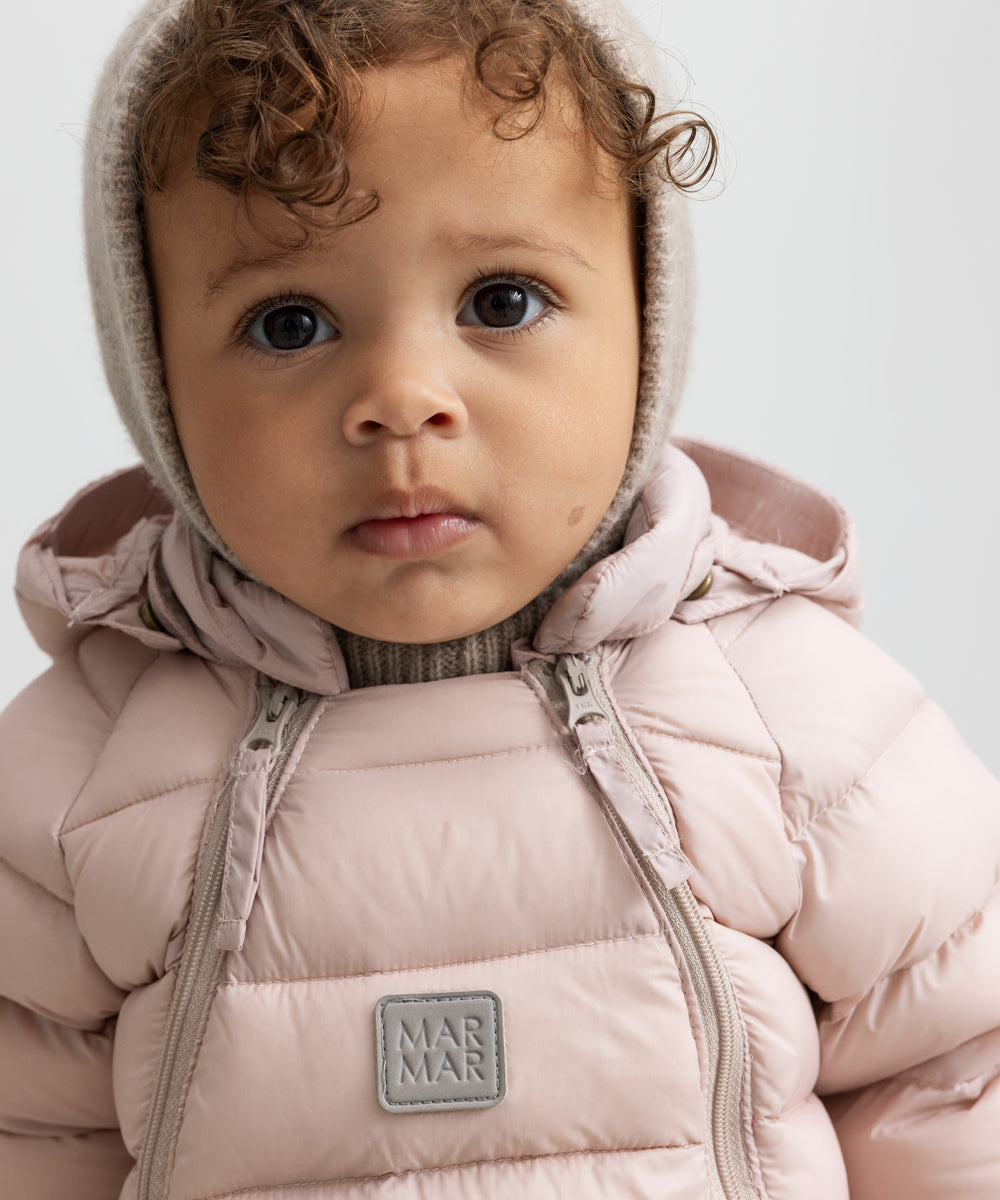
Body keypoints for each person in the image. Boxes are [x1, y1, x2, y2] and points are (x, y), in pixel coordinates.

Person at [1, 0, 998, 1196]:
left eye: (500, 302)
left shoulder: (798, 723)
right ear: (156, 379)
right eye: (290, 323)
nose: (402, 398)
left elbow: (956, 1088)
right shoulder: (75, 785)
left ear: (645, 326)